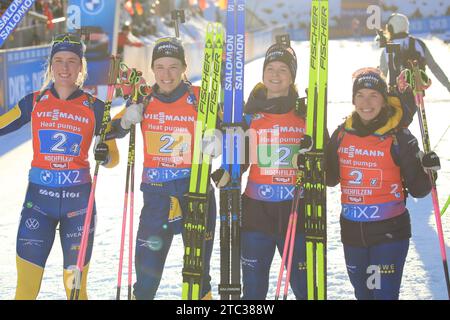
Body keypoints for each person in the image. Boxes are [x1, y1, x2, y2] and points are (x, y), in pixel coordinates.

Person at [0, 34, 119, 299]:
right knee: (25, 290)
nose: (65, 68)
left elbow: (113, 159)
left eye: (71, 62)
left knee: (75, 290)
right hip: (39, 204)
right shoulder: (34, 101)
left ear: (81, 67)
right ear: (51, 65)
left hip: (79, 206)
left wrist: (105, 153)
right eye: (59, 61)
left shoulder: (96, 108)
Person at [110, 37, 216, 300]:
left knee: (198, 275)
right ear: (152, 69)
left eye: (173, 67)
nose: (166, 74)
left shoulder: (199, 97)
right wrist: (124, 122)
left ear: (184, 67)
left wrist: (219, 136)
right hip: (157, 196)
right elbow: (108, 130)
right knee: (146, 277)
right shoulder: (143, 99)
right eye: (160, 67)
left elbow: (228, 126)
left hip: (196, 193)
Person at [321, 68, 439, 299]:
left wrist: (429, 169)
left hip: (389, 231)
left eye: (373, 95)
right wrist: (314, 156)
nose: (366, 102)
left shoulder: (399, 137)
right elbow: (331, 179)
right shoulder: (342, 133)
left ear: (384, 100)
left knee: (384, 296)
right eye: (360, 95)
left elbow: (419, 189)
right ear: (353, 99)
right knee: (363, 295)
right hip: (352, 232)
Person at [213, 43, 307, 300]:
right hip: (256, 214)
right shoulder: (250, 115)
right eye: (270, 68)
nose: (275, 74)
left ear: (292, 76)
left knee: (305, 288)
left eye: (283, 70)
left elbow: (327, 166)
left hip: (296, 212)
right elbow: (240, 159)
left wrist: (311, 157)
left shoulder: (305, 114)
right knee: (253, 292)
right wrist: (227, 172)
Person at [379, 13, 450, 93]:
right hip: (418, 94)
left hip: (396, 97)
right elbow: (434, 68)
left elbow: (382, 76)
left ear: (391, 28)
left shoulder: (387, 49)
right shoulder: (419, 44)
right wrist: (448, 85)